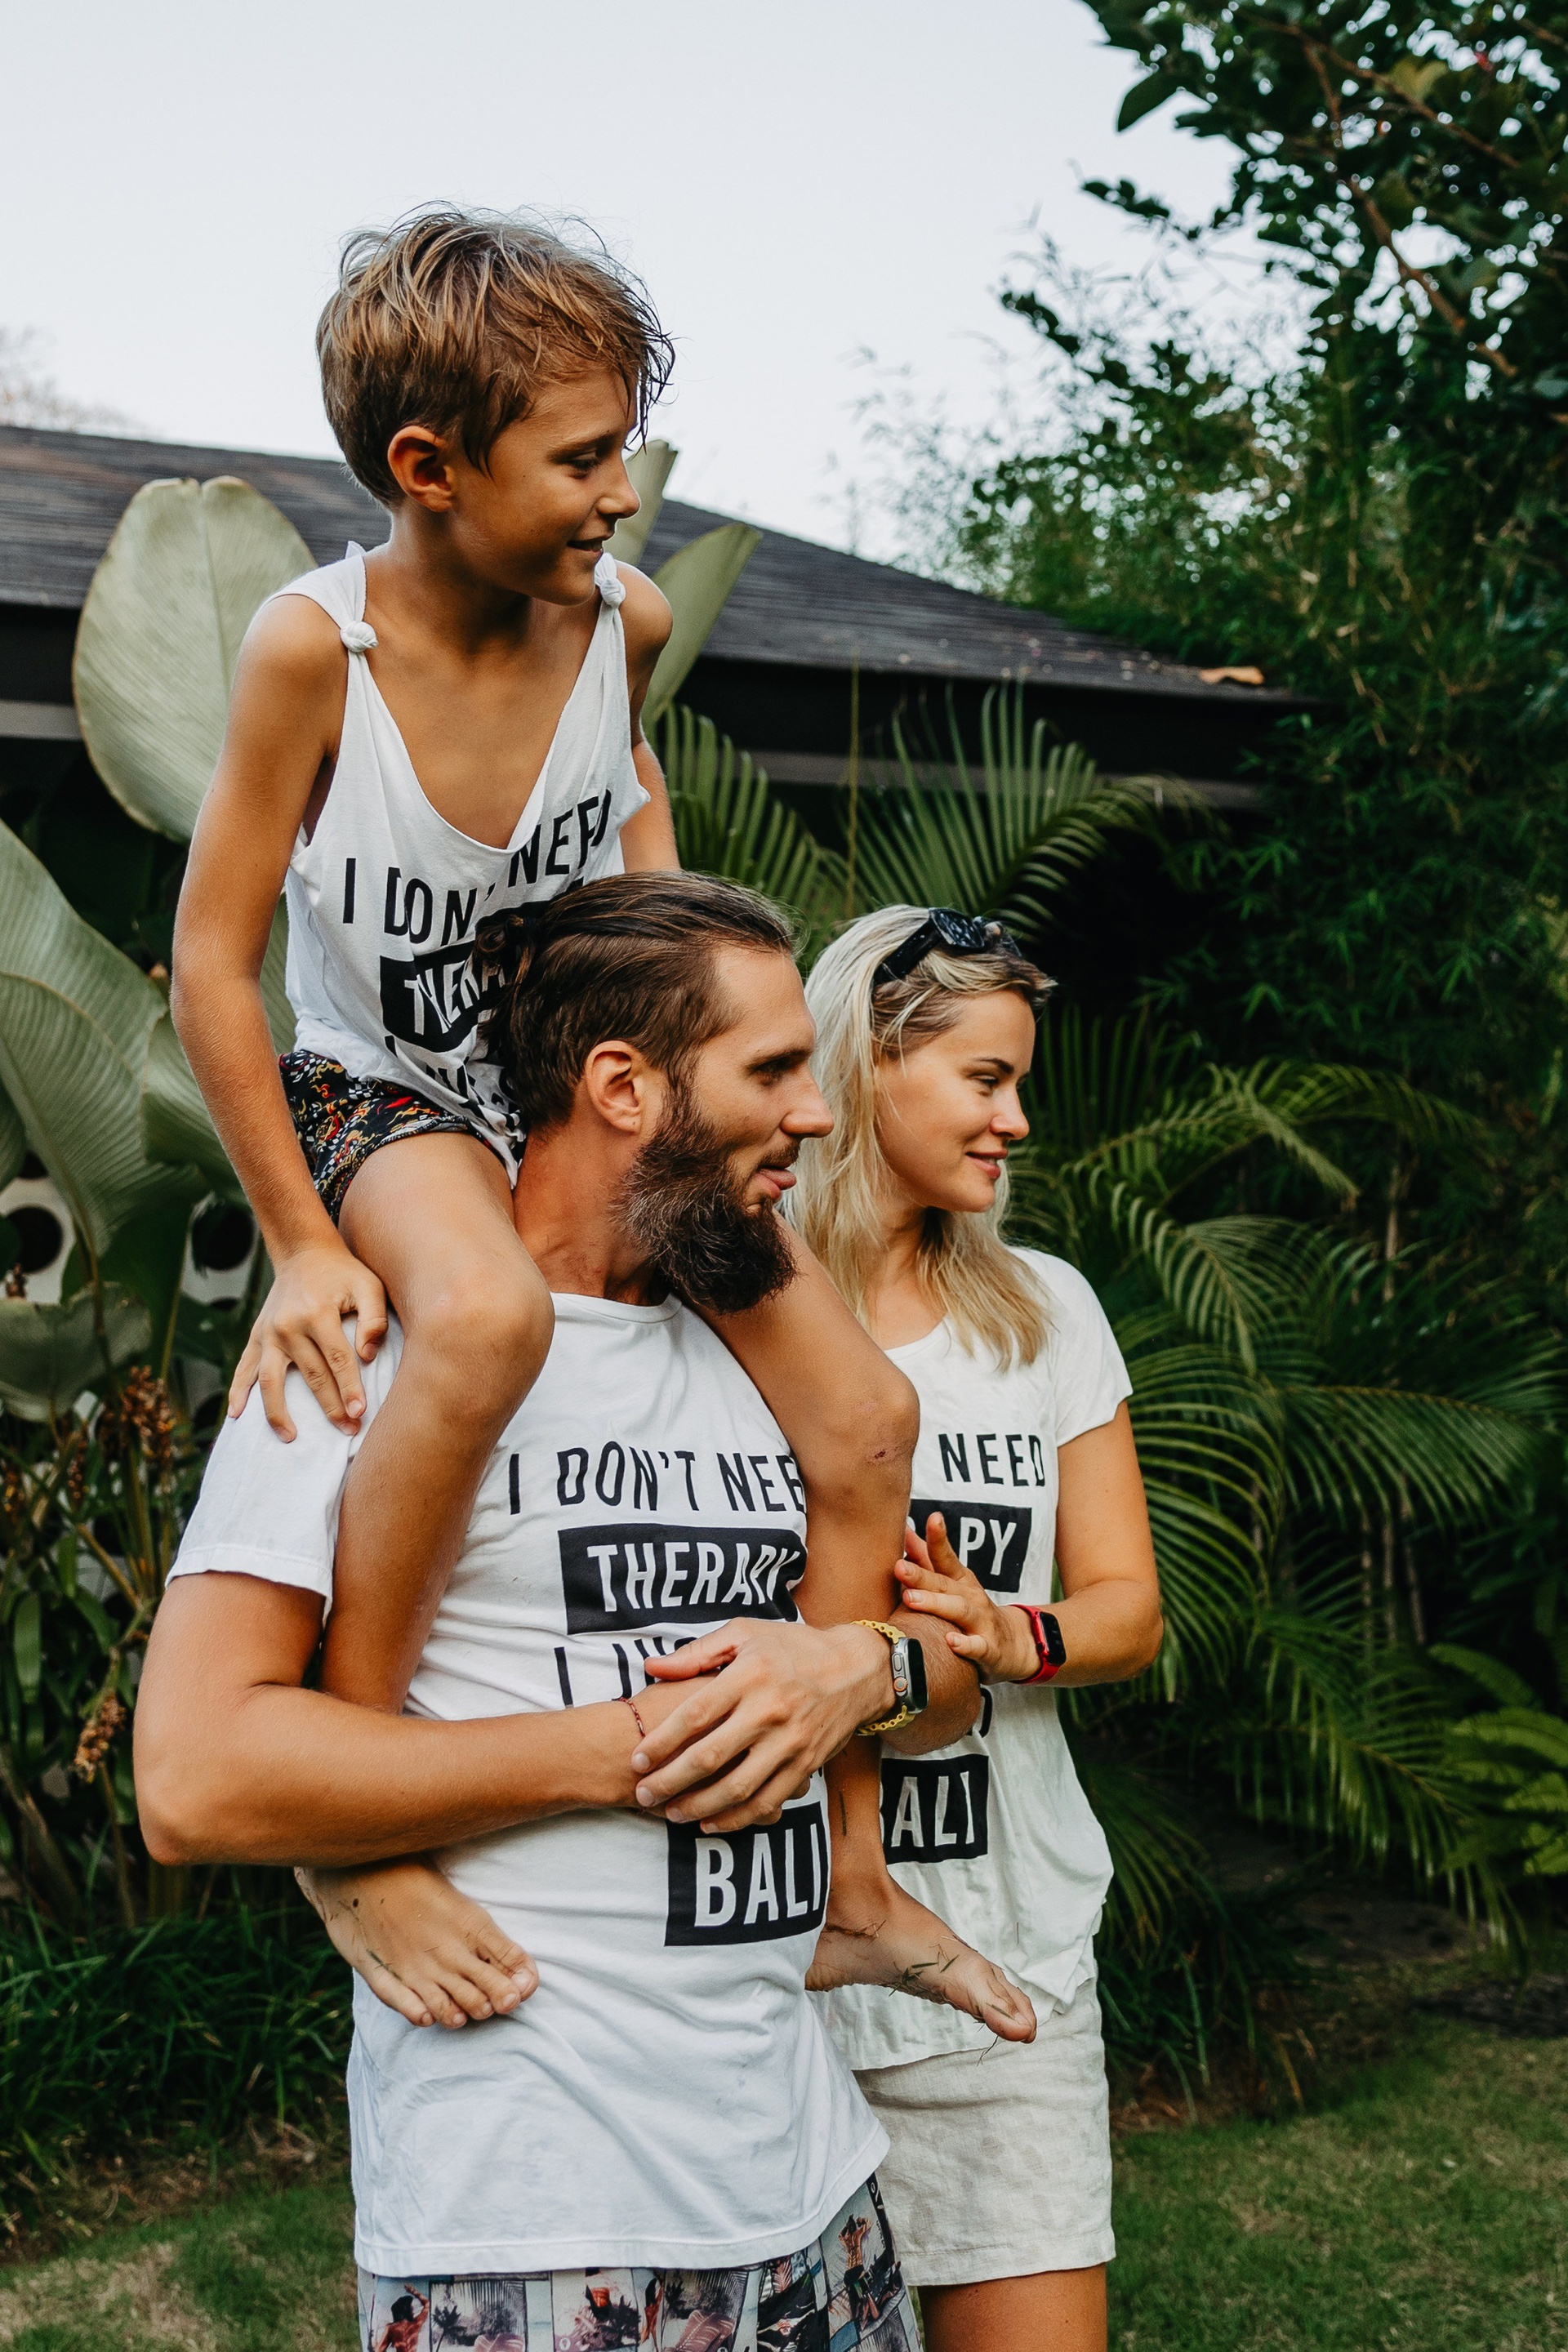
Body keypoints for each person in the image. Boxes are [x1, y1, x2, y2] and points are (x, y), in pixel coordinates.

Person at [136, 873, 1035, 2350]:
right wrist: (631, 1749)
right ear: (624, 1087)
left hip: (810, 2192)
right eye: (771, 1071)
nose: (817, 1117)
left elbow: (945, 1686)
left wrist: (852, 1673)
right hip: (534, 2220)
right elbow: (194, 1776)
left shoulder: (767, 1356)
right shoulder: (376, 1351)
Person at [170, 207, 919, 1731]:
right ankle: (369, 1770)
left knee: (867, 1410)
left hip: (576, 1092)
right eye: (583, 460)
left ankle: (842, 1826)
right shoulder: (316, 654)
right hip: (389, 1091)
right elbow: (207, 961)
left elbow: (631, 793)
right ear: (428, 468)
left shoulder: (620, 624)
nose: (622, 494)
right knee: (488, 1319)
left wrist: (700, 1012)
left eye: (622, 450)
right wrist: (303, 1244)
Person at [798, 906, 1165, 2352]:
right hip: (779, 1967)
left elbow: (1128, 1606)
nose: (1016, 1120)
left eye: (1019, 1083)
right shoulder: (735, 1304)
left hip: (1009, 1956)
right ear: (867, 1063)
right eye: (985, 1080)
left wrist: (1014, 1637)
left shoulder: (1041, 1313)